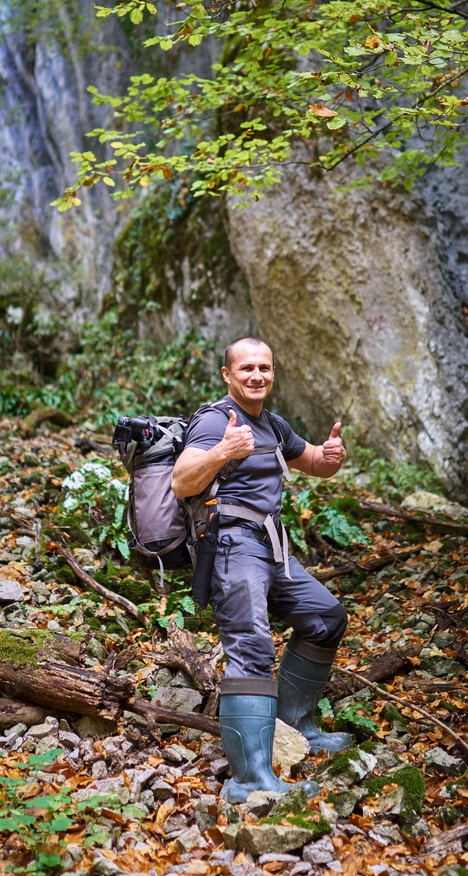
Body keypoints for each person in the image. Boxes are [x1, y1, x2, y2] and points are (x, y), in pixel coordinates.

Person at [171, 336, 351, 803]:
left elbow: (310, 460)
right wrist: (222, 452)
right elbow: (181, 480)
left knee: (325, 619)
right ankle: (249, 778)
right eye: (246, 368)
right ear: (227, 375)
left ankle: (296, 728)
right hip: (232, 544)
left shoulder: (271, 423)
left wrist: (329, 457)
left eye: (265, 368)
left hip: (272, 547)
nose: (257, 375)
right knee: (252, 645)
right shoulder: (214, 421)